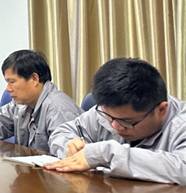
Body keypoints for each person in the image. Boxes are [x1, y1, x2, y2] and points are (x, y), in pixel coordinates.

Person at [45, 58, 186, 185]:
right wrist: (70, 145)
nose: (115, 126)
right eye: (109, 117)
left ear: (161, 110)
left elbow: (182, 168)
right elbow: (62, 131)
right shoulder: (107, 113)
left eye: (127, 121)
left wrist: (106, 154)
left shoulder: (181, 123)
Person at [0, 49, 82, 153]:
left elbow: (69, 155)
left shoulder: (59, 109)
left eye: (12, 82)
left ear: (34, 79)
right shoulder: (22, 104)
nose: (7, 89)